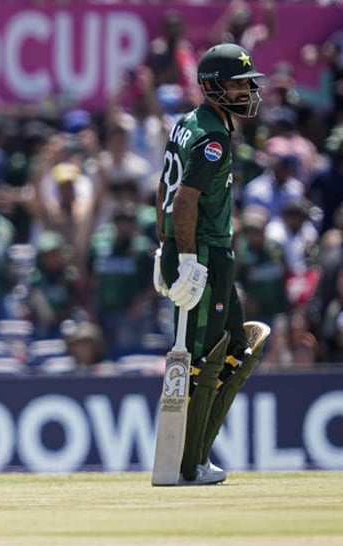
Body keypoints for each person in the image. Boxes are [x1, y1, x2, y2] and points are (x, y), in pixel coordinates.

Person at [153, 43, 272, 485]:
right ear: (213, 86)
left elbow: (162, 187)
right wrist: (183, 258)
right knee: (204, 358)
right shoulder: (211, 137)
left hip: (199, 250)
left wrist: (162, 246)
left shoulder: (189, 122)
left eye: (248, 83)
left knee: (237, 350)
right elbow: (184, 201)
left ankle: (198, 456)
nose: (246, 91)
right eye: (239, 84)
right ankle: (187, 466)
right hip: (202, 253)